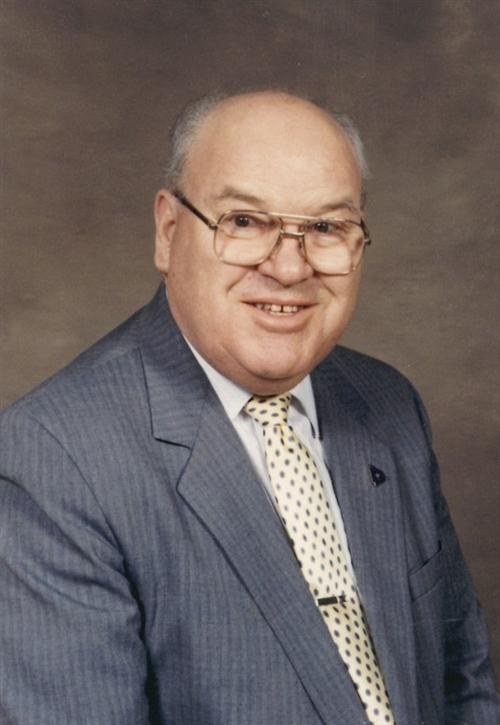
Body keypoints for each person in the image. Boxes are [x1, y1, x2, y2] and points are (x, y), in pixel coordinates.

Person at [0, 91, 498, 725]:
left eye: (325, 228)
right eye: (244, 222)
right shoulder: (53, 461)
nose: (289, 268)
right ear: (169, 232)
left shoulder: (387, 404)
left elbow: (463, 686)